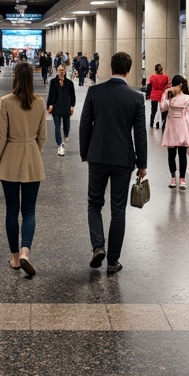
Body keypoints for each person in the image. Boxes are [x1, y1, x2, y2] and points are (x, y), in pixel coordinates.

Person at [79, 51, 148, 274]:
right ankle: (112, 261)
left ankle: (98, 246)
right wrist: (142, 164)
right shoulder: (136, 97)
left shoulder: (94, 91)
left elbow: (84, 125)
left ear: (110, 67)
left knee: (94, 203)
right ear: (128, 70)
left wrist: (85, 152)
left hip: (97, 156)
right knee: (118, 209)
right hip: (123, 158)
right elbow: (140, 134)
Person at [0, 62, 47, 278]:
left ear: (14, 77)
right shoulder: (39, 102)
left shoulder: (6, 102)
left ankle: (15, 258)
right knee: (30, 210)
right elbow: (42, 136)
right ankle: (26, 251)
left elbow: (0, 136)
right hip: (32, 157)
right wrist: (33, 151)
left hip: (9, 160)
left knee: (12, 210)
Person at [160, 75, 189, 189]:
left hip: (182, 126)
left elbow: (188, 111)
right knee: (171, 154)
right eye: (172, 85)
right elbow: (162, 108)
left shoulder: (187, 98)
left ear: (181, 85)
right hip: (171, 125)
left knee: (182, 155)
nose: (173, 87)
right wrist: (167, 97)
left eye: (175, 85)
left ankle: (182, 179)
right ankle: (173, 177)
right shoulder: (168, 95)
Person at [46, 62, 76, 157]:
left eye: (62, 70)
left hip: (66, 106)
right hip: (56, 107)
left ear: (65, 71)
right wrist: (49, 105)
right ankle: (60, 145)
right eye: (59, 70)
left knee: (66, 126)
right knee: (57, 127)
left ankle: (66, 135)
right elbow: (51, 94)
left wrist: (72, 105)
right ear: (57, 71)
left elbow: (72, 95)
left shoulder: (69, 83)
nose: (61, 72)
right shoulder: (53, 82)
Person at [146, 63, 170, 129]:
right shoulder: (165, 77)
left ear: (155, 70)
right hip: (162, 95)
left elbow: (149, 86)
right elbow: (168, 86)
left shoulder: (152, 77)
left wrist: (147, 94)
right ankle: (162, 122)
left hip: (154, 95)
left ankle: (152, 123)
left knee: (153, 109)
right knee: (163, 109)